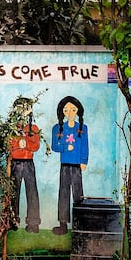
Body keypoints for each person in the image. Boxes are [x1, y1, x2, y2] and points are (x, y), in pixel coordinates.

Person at [51, 96, 88, 235]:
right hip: (65, 165)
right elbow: (55, 146)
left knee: (78, 194)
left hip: (77, 165)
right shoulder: (58, 128)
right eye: (66, 110)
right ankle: (63, 224)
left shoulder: (82, 128)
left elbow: (85, 146)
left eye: (73, 110)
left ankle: (80, 224)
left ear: (78, 110)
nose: (70, 113)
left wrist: (84, 160)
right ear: (63, 112)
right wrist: (66, 147)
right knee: (64, 193)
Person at [9, 96, 41, 233]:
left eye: (26, 108)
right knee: (13, 192)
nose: (23, 111)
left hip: (28, 163)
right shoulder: (11, 129)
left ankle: (33, 223)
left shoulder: (33, 128)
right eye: (20, 108)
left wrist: (26, 144)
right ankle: (12, 220)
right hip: (15, 163)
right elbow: (8, 145)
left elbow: (36, 146)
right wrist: (17, 144)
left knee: (32, 192)